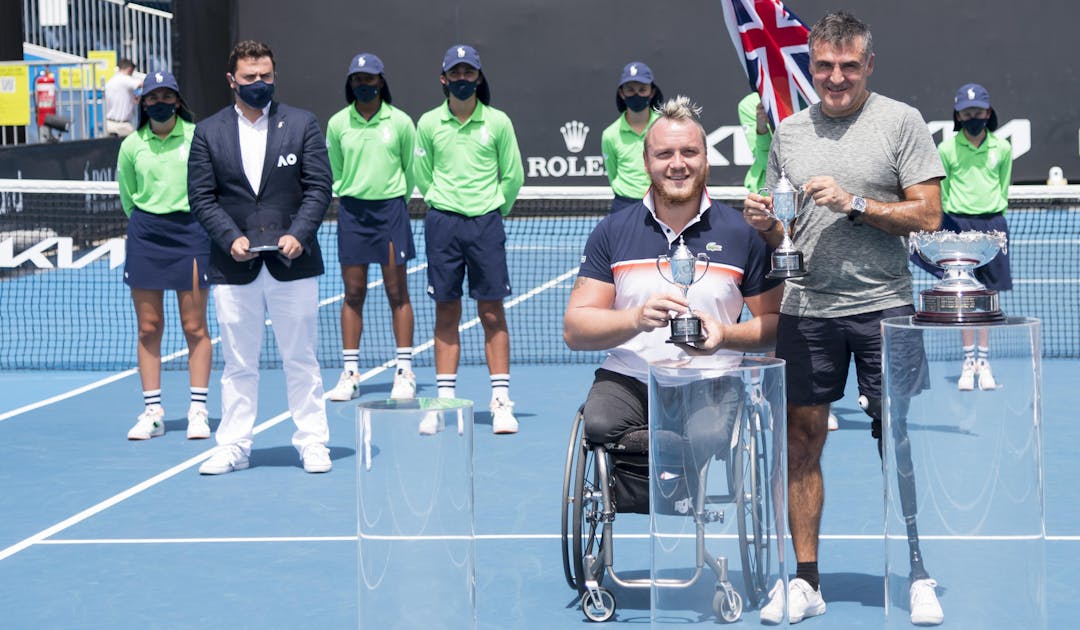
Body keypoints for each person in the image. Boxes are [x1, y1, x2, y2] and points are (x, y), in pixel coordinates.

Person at [741, 12, 946, 625]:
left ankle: (918, 572)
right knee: (801, 443)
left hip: (885, 307)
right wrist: (766, 225)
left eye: (848, 66)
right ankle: (806, 581)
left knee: (898, 440)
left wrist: (857, 203)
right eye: (825, 65)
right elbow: (788, 227)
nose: (835, 77)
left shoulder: (901, 122)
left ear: (868, 66)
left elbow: (930, 216)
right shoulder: (789, 133)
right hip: (806, 312)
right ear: (812, 64)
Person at [564, 94, 783, 464]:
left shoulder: (741, 233)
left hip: (712, 381)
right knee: (599, 424)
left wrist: (725, 336)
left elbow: (777, 326)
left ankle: (679, 483)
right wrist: (634, 319)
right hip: (629, 379)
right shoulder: (612, 232)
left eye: (689, 153)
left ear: (706, 160)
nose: (678, 164)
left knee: (707, 435)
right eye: (665, 154)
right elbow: (575, 329)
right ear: (647, 162)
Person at [188, 40, 334, 475]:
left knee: (301, 358)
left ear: (274, 76)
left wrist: (299, 234)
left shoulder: (302, 124)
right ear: (232, 80)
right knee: (238, 363)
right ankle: (234, 445)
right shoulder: (208, 132)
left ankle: (312, 442)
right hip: (234, 266)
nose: (258, 84)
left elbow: (318, 188)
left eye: (265, 76)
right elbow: (201, 196)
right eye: (250, 77)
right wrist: (230, 237)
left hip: (293, 263)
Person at [413, 44, 524, 434]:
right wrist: (443, 203)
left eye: (469, 73)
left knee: (492, 312)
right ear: (444, 79)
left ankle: (500, 402)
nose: (462, 79)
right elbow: (422, 173)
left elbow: (512, 176)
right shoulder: (427, 123)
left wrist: (492, 209)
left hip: (485, 226)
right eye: (455, 74)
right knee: (446, 312)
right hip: (443, 225)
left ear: (479, 77)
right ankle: (443, 402)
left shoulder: (498, 122)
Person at [117, 71, 211, 441]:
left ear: (177, 100)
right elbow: (128, 195)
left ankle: (199, 410)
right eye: (152, 98)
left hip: (190, 235)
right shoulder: (132, 145)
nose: (159, 104)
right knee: (148, 327)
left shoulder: (196, 136)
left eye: (166, 97)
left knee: (194, 327)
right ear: (143, 103)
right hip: (146, 236)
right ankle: (153, 412)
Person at [739, 91, 840, 432]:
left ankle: (816, 398)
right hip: (761, 213)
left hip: (803, 217)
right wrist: (763, 126)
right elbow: (763, 153)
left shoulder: (812, 102)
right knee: (763, 309)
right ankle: (757, 389)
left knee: (804, 305)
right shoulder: (748, 103)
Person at [324, 52, 418, 402]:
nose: (364, 84)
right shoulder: (337, 124)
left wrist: (393, 199)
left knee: (398, 293)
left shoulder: (401, 122)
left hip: (391, 211)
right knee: (353, 293)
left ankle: (404, 370)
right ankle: (350, 373)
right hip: (352, 213)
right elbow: (335, 169)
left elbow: (411, 171)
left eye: (370, 78)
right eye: (358, 79)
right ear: (351, 84)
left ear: (381, 81)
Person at [939, 83, 1012, 391]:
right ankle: (968, 361)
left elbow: (1003, 186)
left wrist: (992, 216)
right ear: (958, 114)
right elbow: (943, 192)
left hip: (993, 226)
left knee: (989, 296)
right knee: (965, 297)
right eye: (967, 112)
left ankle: (984, 360)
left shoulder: (1003, 149)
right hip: (958, 226)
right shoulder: (946, 149)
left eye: (978, 112)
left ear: (988, 113)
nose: (973, 117)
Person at [601, 62, 664, 213]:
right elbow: (612, 173)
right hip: (624, 204)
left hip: (660, 201)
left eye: (642, 90)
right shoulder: (609, 134)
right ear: (622, 93)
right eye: (630, 90)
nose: (636, 95)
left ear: (652, 92)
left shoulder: (665, 127)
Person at [104, 58, 141, 137]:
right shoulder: (124, 79)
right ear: (129, 70)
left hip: (109, 123)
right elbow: (141, 84)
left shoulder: (111, 81)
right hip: (123, 126)